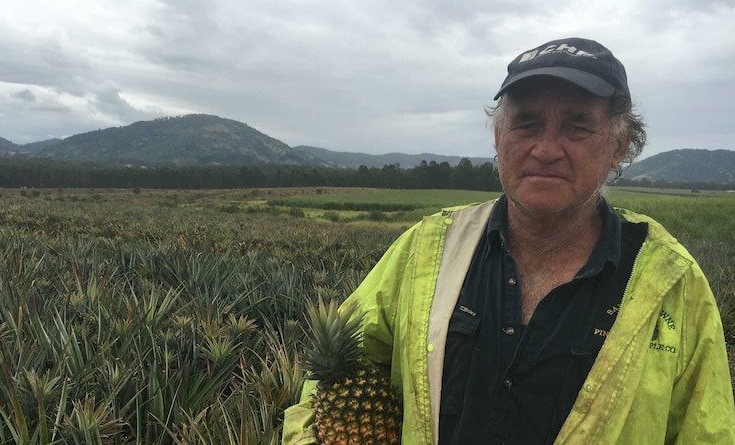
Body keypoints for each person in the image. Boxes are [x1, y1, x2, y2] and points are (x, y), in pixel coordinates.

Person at [283, 37, 735, 444]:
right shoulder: (428, 248)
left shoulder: (673, 283)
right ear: (499, 138)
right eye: (527, 124)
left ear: (620, 147)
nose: (546, 148)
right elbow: (328, 382)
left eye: (577, 126)